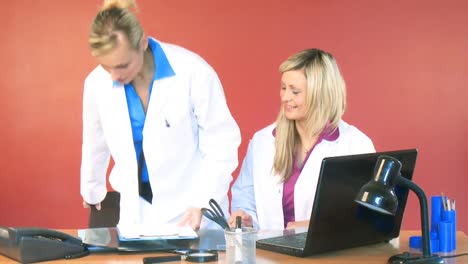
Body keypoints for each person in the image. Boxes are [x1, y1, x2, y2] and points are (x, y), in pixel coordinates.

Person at [80, 0, 241, 231]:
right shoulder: (97, 83)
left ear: (143, 43)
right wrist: (92, 189)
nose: (114, 76)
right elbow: (95, 142)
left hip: (192, 209)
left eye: (122, 65)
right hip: (136, 212)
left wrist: (202, 201)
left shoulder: (193, 72)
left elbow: (222, 144)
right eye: (107, 66)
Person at [229, 49, 375, 230]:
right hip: (270, 255)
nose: (285, 97)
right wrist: (246, 219)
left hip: (328, 256)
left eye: (295, 91)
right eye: (283, 88)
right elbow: (244, 197)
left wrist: (312, 227)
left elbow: (364, 216)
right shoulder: (263, 141)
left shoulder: (355, 145)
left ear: (320, 94)